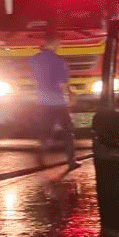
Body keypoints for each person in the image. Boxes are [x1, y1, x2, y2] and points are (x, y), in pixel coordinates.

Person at [29, 30, 78, 169]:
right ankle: (71, 161)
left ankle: (41, 150)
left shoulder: (34, 60)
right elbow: (63, 84)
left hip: (41, 100)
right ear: (55, 43)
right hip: (57, 102)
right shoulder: (58, 61)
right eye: (58, 42)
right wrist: (71, 95)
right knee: (68, 130)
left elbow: (34, 79)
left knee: (46, 129)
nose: (59, 45)